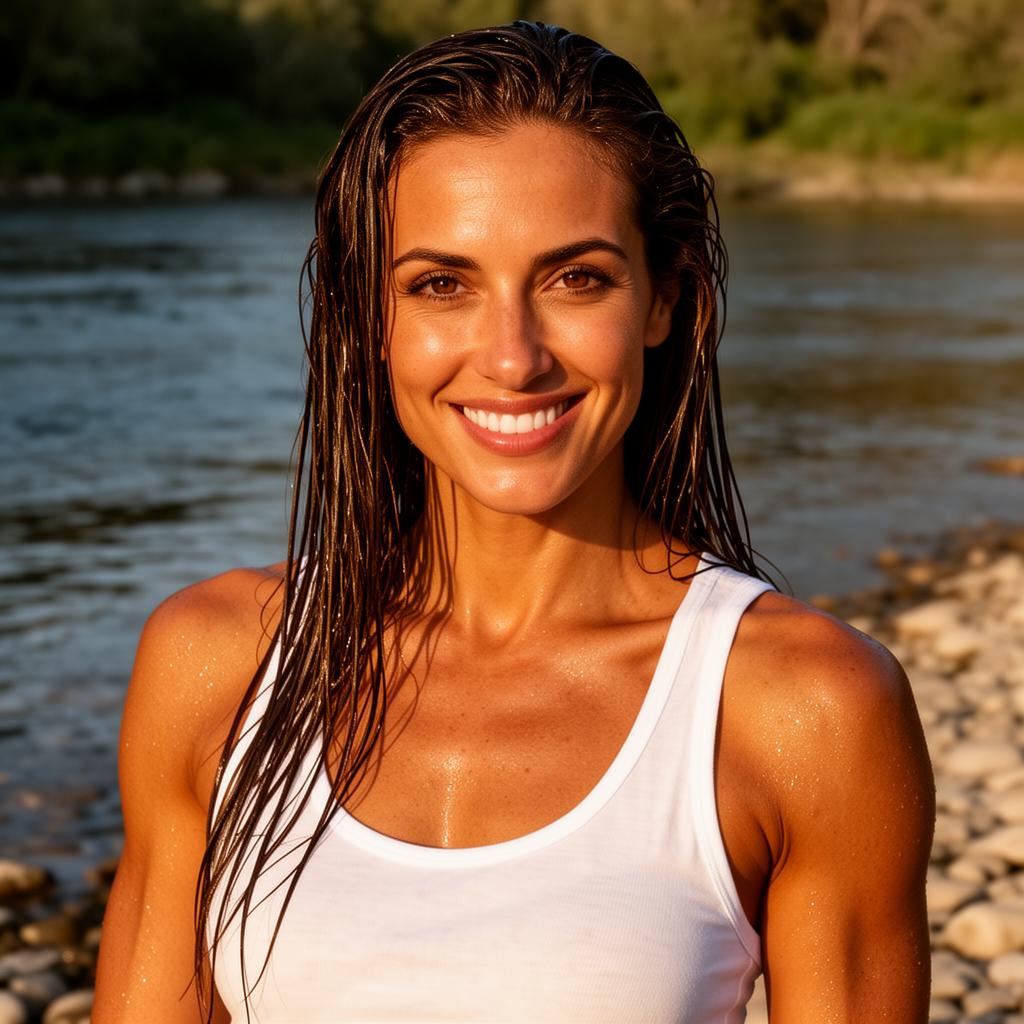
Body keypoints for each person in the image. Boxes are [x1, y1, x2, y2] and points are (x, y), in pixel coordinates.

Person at [93, 21, 934, 1023]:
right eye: (440, 284)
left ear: (663, 297)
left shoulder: (802, 707)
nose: (511, 355)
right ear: (369, 317)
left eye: (575, 278)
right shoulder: (215, 666)